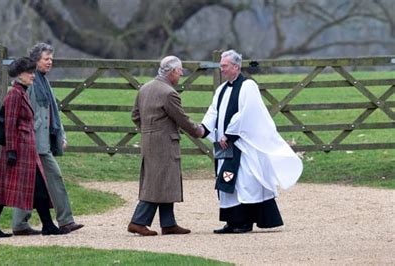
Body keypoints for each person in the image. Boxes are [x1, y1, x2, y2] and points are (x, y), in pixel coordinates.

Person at [201, 50, 303, 234]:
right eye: (221, 66)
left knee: (245, 183)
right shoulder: (221, 89)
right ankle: (232, 221)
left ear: (236, 67)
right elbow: (213, 112)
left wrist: (229, 135)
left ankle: (245, 221)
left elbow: (247, 112)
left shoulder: (248, 86)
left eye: (224, 66)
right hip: (225, 146)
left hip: (243, 144)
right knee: (226, 180)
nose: (221, 70)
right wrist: (204, 129)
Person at [0, 57, 62, 237]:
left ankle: (48, 225)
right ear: (20, 75)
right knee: (5, 187)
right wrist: (11, 151)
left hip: (27, 150)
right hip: (18, 150)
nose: (33, 76)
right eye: (30, 73)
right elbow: (9, 125)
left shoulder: (22, 92)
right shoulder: (14, 95)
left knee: (38, 186)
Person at [11, 43, 84, 236]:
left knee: (41, 180)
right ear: (36, 60)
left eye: (51, 59)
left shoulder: (43, 81)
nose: (50, 62)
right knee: (50, 178)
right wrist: (26, 140)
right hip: (33, 143)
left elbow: (53, 113)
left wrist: (61, 135)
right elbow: (24, 113)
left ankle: (24, 223)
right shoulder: (30, 82)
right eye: (46, 59)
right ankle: (62, 221)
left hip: (42, 143)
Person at [127, 55, 205, 236]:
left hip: (149, 142)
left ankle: (168, 223)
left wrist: (148, 131)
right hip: (164, 143)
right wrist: (198, 131)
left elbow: (135, 115)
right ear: (171, 72)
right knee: (157, 182)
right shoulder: (169, 93)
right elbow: (181, 118)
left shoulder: (145, 88)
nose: (181, 74)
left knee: (164, 180)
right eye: (179, 71)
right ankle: (138, 221)